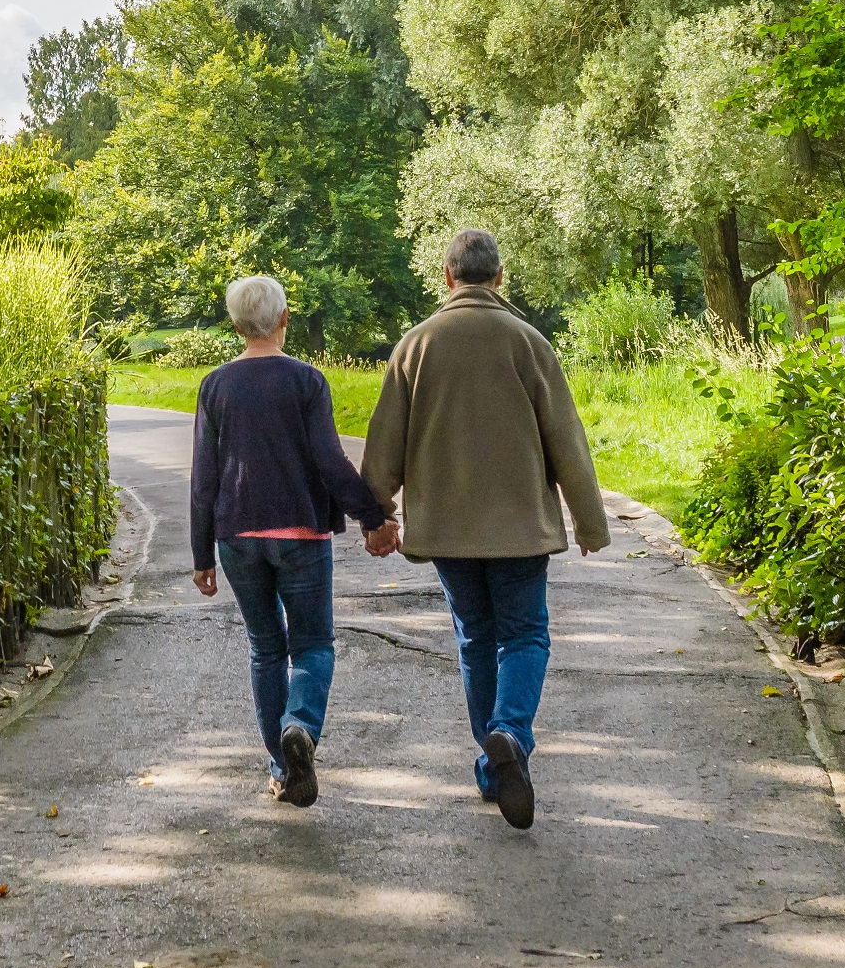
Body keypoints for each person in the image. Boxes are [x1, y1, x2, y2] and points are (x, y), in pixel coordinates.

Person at [362, 228, 608, 830]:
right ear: (499, 278)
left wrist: (377, 515)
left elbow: (383, 443)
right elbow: (566, 439)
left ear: (447, 278)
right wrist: (589, 521)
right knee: (524, 635)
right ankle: (509, 735)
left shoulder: (415, 346)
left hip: (448, 531)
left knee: (476, 639)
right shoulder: (528, 342)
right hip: (521, 526)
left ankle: (494, 762)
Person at [189, 274, 395, 807]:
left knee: (264, 649)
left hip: (236, 537)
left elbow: (204, 477)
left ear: (235, 326)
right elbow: (330, 461)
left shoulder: (214, 385)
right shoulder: (307, 381)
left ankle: (282, 770)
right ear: (284, 320)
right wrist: (373, 517)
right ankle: (299, 724)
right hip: (301, 535)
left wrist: (200, 555)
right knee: (312, 644)